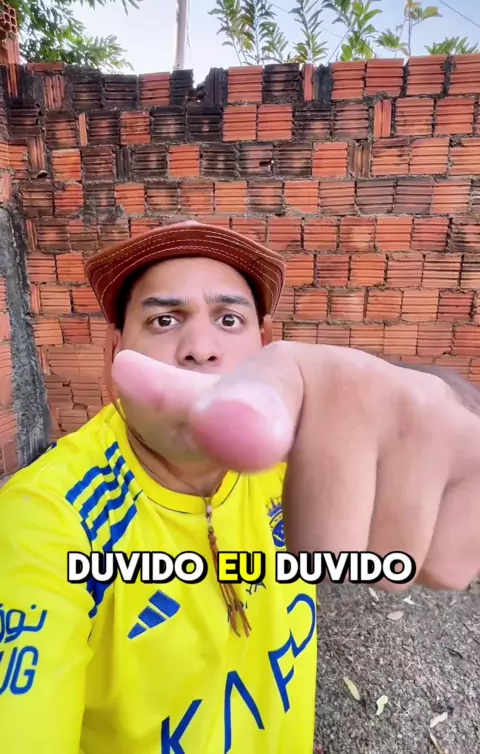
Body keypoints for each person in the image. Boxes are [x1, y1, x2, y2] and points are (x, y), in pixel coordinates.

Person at [0, 220, 479, 754]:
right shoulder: (45, 518)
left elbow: (426, 415)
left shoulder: (299, 453)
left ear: (265, 347)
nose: (200, 349)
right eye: (163, 319)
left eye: (229, 319)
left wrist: (446, 404)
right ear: (115, 352)